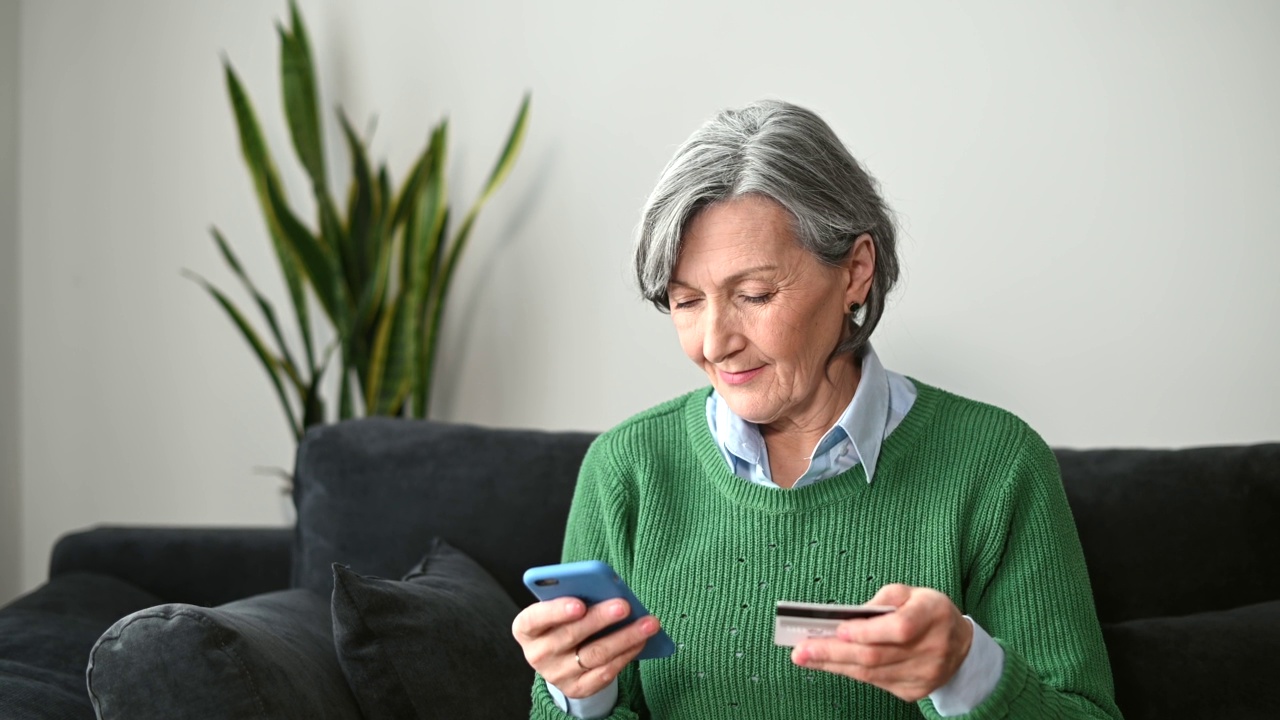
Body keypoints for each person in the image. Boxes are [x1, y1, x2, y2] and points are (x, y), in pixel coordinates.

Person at [512, 99, 1122, 720]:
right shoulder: (627, 470)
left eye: (754, 294)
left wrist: (967, 671)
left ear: (856, 270)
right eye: (686, 301)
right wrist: (579, 696)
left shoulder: (996, 464)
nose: (715, 343)